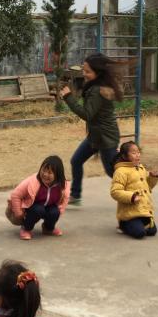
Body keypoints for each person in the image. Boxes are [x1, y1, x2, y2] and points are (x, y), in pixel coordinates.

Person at [59, 53, 123, 205]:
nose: (84, 73)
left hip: (106, 138)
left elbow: (87, 114)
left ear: (98, 73)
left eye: (88, 71)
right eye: (84, 70)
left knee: (112, 171)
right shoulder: (96, 87)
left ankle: (136, 187)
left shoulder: (97, 91)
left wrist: (68, 97)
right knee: (76, 161)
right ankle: (75, 195)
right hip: (96, 136)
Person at [8, 156, 71, 240]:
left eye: (49, 173)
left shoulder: (63, 185)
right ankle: (26, 228)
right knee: (38, 209)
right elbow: (15, 195)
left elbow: (65, 199)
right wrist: (19, 213)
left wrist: (60, 211)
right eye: (43, 170)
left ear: (57, 175)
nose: (45, 174)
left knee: (55, 211)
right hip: (31, 208)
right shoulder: (32, 181)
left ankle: (48, 228)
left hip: (49, 206)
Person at [110, 141, 158, 239]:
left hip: (142, 210)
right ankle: (123, 224)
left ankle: (139, 223)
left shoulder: (141, 168)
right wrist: (131, 197)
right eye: (133, 153)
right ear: (124, 156)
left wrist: (154, 177)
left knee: (152, 231)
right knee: (140, 233)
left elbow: (148, 187)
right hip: (129, 213)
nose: (137, 155)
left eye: (138, 152)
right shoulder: (121, 171)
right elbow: (115, 192)